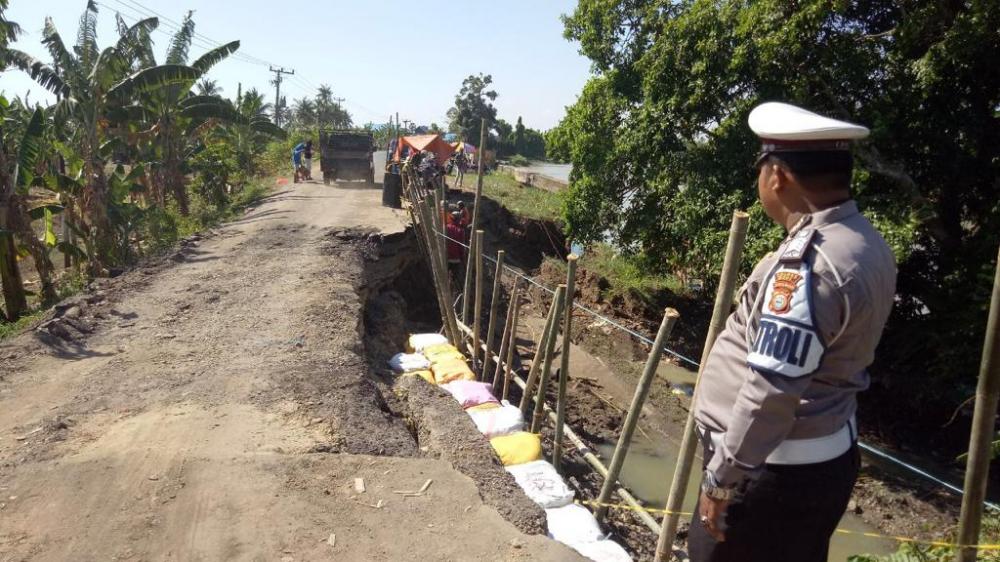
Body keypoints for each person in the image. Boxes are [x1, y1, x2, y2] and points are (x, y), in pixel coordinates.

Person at [689, 102, 897, 562]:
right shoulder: (865, 242)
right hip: (821, 462)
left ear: (777, 176)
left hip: (767, 475)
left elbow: (770, 391)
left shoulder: (807, 267)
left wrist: (722, 479)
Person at [445, 211, 467, 289]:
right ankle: (452, 288)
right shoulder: (460, 230)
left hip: (446, 257)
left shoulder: (446, 227)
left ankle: (448, 286)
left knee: (446, 274)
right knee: (454, 276)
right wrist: (462, 258)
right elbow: (461, 246)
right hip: (456, 258)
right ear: (459, 220)